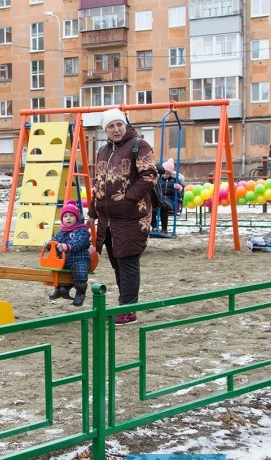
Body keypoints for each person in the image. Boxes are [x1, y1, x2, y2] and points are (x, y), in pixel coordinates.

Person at [86, 108, 158, 326]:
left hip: (132, 217)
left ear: (125, 124)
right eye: (111, 126)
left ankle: (129, 310)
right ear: (105, 130)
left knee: (128, 262)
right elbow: (98, 184)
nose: (116, 129)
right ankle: (124, 304)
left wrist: (128, 199)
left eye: (119, 124)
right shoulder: (103, 151)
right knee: (118, 262)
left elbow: (149, 175)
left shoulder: (139, 145)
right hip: (108, 220)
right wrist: (92, 213)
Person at [44, 200, 93, 306]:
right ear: (62, 219)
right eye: (65, 216)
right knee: (57, 269)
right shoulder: (61, 232)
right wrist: (49, 245)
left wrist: (68, 246)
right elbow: (55, 242)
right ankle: (60, 288)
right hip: (65, 259)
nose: (68, 218)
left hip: (79, 258)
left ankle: (80, 293)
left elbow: (79, 242)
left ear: (77, 218)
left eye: (71, 215)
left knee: (79, 271)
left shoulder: (81, 231)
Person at [151, 160, 183, 234]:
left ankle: (164, 228)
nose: (165, 175)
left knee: (163, 207)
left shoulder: (174, 181)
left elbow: (180, 195)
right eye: (164, 173)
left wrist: (179, 189)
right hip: (160, 198)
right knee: (152, 208)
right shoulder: (159, 180)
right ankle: (154, 226)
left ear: (170, 174)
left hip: (170, 200)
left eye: (167, 173)